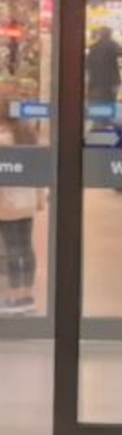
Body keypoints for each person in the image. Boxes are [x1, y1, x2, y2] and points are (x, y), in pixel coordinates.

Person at [0, 107, 46, 314]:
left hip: (7, 202)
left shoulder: (3, 138)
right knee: (26, 247)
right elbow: (37, 169)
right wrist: (39, 197)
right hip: (26, 201)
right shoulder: (28, 134)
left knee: (11, 250)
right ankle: (27, 296)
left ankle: (13, 297)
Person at [85, 27, 122, 106]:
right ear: (110, 34)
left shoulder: (93, 47)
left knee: (97, 103)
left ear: (100, 35)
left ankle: (98, 116)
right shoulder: (113, 45)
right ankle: (107, 116)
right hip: (111, 80)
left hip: (96, 81)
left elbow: (87, 63)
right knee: (110, 101)